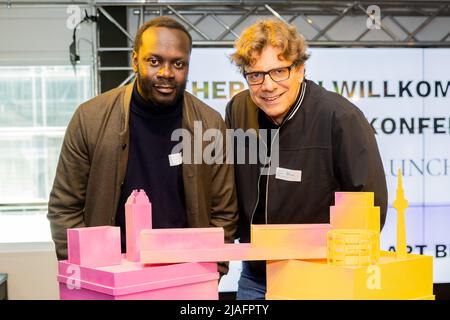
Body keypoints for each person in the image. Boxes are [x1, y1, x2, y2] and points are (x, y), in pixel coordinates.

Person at [48, 16, 238, 275]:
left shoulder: (210, 125)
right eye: (154, 61)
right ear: (135, 60)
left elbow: (224, 211)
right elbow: (65, 207)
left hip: (186, 274)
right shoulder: (90, 118)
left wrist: (211, 271)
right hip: (109, 273)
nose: (166, 73)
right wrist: (88, 271)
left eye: (178, 63)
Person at [225, 19, 388, 299]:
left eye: (279, 71)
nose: (268, 85)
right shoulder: (238, 109)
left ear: (300, 69)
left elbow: (370, 206)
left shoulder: (340, 118)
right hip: (255, 275)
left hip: (318, 275)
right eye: (256, 75)